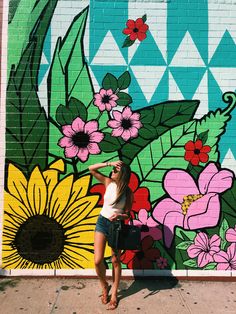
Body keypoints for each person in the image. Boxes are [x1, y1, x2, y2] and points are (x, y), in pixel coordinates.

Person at [89, 160, 133, 310]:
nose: (112, 171)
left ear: (122, 174)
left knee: (115, 260)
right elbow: (91, 168)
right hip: (102, 222)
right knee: (97, 260)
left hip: (116, 226)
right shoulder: (108, 182)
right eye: (113, 169)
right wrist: (109, 163)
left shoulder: (127, 192)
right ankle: (104, 286)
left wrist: (120, 217)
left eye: (115, 170)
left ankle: (114, 294)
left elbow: (128, 214)